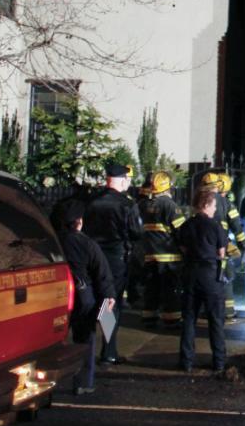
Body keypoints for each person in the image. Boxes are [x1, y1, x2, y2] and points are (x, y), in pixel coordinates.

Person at [53, 200, 116, 396]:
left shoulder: (53, 243)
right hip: (83, 297)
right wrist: (109, 296)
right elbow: (102, 273)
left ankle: (48, 382)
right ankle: (83, 382)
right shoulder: (87, 244)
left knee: (54, 341)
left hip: (56, 297)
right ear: (79, 222)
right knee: (85, 340)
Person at [83, 160, 142, 364]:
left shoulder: (92, 202)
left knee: (94, 301)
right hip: (116, 259)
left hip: (93, 257)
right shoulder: (127, 204)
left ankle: (86, 348)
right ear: (123, 180)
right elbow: (136, 233)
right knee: (111, 303)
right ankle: (108, 351)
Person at [178, 186, 230, 375]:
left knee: (189, 319)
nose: (215, 209)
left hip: (190, 274)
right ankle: (219, 362)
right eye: (214, 205)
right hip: (210, 276)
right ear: (207, 205)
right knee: (215, 320)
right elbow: (221, 253)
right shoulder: (216, 226)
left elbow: (182, 248)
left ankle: (186, 361)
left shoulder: (186, 225)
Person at [140, 170, 186, 328]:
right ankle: (171, 320)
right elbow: (182, 232)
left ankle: (148, 318)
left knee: (151, 289)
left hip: (150, 256)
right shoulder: (170, 206)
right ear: (168, 187)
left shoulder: (146, 205)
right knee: (170, 290)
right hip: (169, 258)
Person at [198, 171, 245, 320]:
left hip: (203, 247)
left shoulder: (200, 200)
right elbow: (237, 227)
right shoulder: (227, 204)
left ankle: (206, 310)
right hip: (221, 247)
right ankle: (228, 311)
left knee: (206, 279)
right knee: (226, 277)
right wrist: (242, 244)